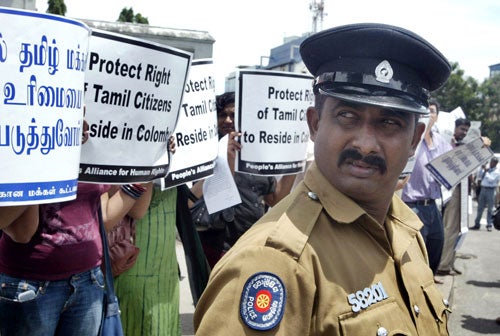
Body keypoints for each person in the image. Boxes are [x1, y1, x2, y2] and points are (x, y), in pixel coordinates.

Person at [194, 23, 452, 335]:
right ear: (314, 125)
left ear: (414, 140)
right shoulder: (273, 262)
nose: (366, 143)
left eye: (389, 122)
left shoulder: (407, 235)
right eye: (347, 116)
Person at [189, 91, 297, 268]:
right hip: (217, 248)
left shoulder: (257, 153)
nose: (228, 121)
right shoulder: (205, 151)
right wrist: (227, 159)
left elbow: (275, 199)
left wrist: (294, 162)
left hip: (252, 245)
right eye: (222, 115)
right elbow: (207, 198)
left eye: (234, 115)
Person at [401, 99, 453, 284]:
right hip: (412, 206)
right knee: (415, 252)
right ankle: (415, 286)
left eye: (432, 111)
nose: (429, 114)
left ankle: (428, 284)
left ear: (437, 116)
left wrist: (480, 146)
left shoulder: (440, 142)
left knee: (436, 244)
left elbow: (454, 163)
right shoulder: (412, 138)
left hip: (432, 205)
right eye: (426, 111)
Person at [437, 118, 471, 276]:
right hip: (452, 192)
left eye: (466, 130)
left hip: (464, 191)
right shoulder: (446, 143)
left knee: (459, 229)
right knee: (450, 228)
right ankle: (443, 265)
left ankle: (450, 262)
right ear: (455, 128)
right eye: (462, 129)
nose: (464, 133)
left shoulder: (464, 146)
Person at [471, 156, 500, 231]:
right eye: (491, 162)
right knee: (480, 208)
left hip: (491, 190)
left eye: (493, 162)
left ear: (496, 163)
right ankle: (477, 224)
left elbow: (491, 180)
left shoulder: (497, 172)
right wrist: (482, 169)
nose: (491, 163)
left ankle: (489, 224)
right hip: (483, 189)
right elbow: (479, 176)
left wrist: (486, 172)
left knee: (490, 208)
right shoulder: (487, 170)